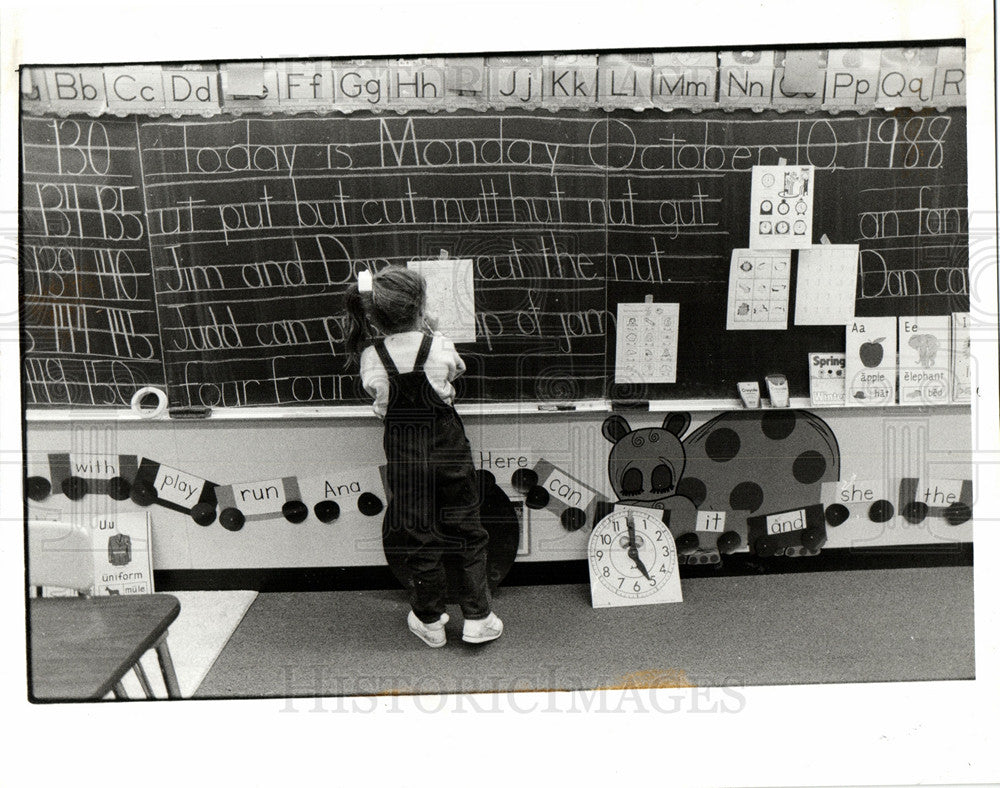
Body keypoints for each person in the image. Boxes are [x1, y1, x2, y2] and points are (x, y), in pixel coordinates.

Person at [344, 266, 503, 648]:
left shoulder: (371, 355)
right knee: (467, 529)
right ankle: (478, 617)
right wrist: (429, 335)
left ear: (374, 316)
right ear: (421, 308)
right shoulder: (441, 345)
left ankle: (430, 619)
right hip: (448, 447)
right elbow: (454, 374)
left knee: (418, 534)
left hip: (405, 453)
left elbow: (380, 401)